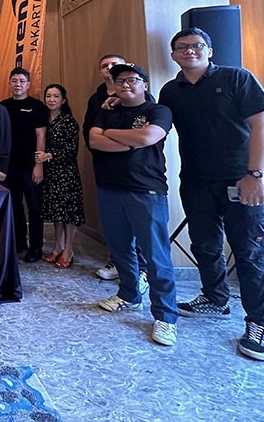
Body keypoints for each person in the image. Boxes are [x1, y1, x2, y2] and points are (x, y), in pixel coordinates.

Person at [159, 28, 264, 361]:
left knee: (249, 253)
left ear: (209, 50)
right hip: (196, 180)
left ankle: (260, 323)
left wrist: (255, 175)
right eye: (182, 47)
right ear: (173, 55)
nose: (190, 51)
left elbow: (263, 124)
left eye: (197, 46)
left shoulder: (237, 78)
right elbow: (156, 122)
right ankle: (214, 298)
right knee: (204, 244)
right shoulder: (171, 90)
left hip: (243, 179)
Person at [89, 63, 178, 346]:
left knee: (156, 256)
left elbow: (149, 137)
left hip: (146, 191)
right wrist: (131, 141)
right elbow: (94, 141)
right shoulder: (107, 110)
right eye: (120, 81)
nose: (125, 85)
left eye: (132, 80)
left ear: (144, 84)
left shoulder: (158, 111)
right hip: (109, 188)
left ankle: (165, 316)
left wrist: (112, 134)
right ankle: (129, 294)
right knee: (120, 248)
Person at [84, 53, 149, 288]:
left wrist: (111, 137)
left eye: (115, 65)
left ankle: (143, 271)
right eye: (105, 66)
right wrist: (112, 144)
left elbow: (144, 137)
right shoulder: (97, 100)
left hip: (139, 174)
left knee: (140, 228)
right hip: (107, 169)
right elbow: (91, 135)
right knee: (116, 228)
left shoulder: (147, 102)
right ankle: (119, 267)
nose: (110, 68)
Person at [0, 67, 48, 260]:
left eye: (21, 81)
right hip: (10, 166)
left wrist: (39, 165)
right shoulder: (3, 106)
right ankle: (19, 242)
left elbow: (41, 135)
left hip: (31, 166)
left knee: (34, 207)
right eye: (14, 80)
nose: (17, 84)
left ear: (28, 84)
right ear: (9, 83)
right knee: (14, 206)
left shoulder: (37, 106)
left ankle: (35, 247)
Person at [36, 84, 84, 269]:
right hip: (50, 173)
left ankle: (68, 250)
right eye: (48, 96)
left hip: (66, 173)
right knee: (57, 212)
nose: (51, 99)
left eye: (56, 96)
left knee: (68, 213)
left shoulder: (69, 121)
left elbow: (71, 150)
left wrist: (49, 156)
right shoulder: (44, 119)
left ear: (63, 100)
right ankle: (57, 247)